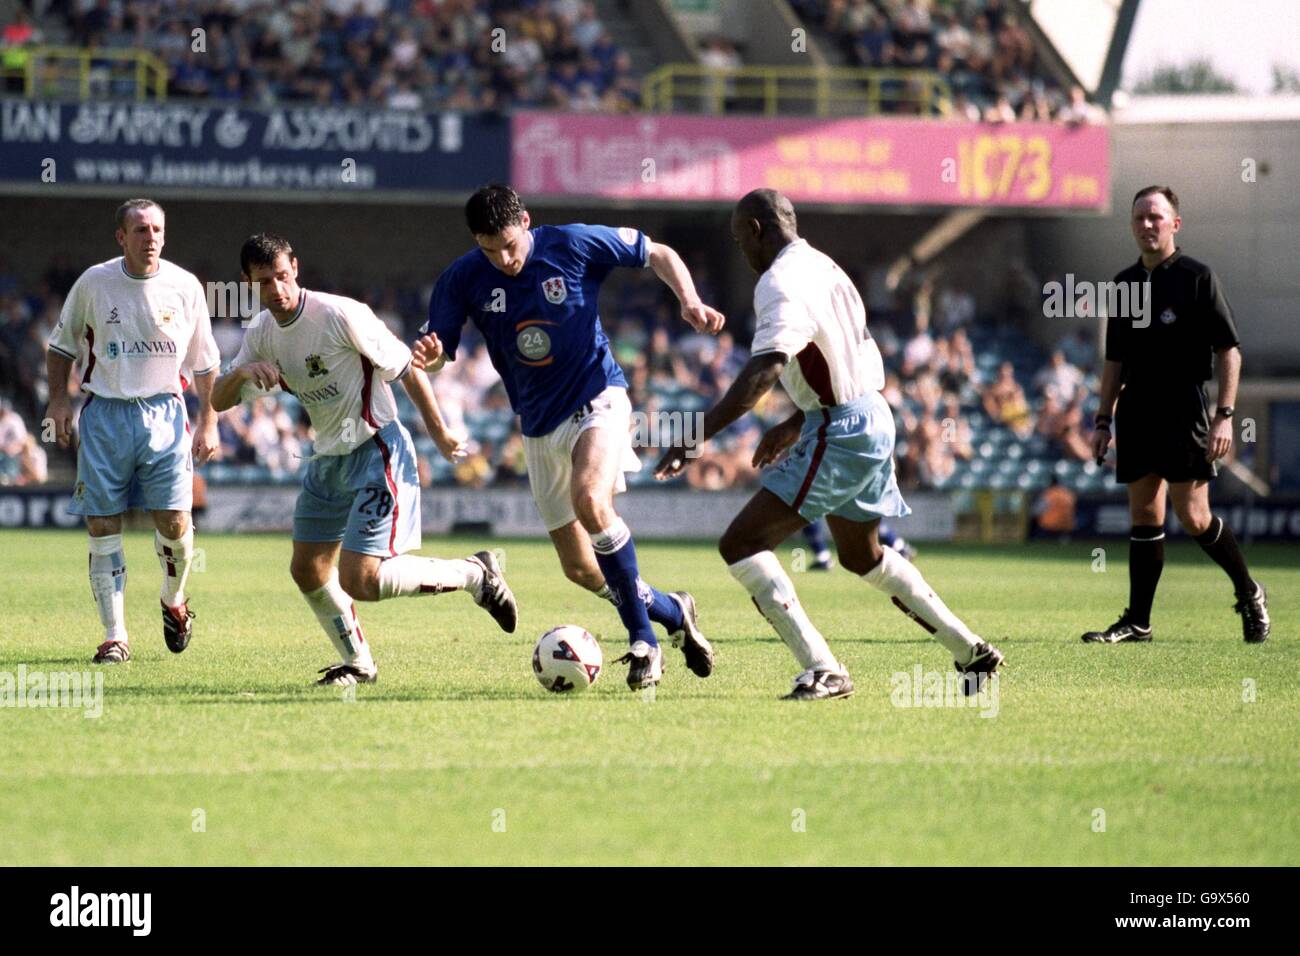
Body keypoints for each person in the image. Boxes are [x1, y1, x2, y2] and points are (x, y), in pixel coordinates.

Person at [655, 189, 1003, 700]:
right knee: (863, 557)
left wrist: (695, 436)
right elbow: (837, 359)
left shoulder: (779, 282)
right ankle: (970, 650)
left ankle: (824, 669)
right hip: (869, 415)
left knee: (741, 544)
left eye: (738, 239)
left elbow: (765, 368)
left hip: (840, 427)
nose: (740, 252)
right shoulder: (826, 267)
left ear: (756, 230)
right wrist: (795, 422)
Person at [415, 185, 721, 690]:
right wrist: (431, 353)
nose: (505, 259)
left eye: (511, 245)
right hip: (537, 426)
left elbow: (658, 252)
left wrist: (688, 299)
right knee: (580, 568)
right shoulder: (462, 277)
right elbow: (441, 349)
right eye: (491, 250)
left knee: (590, 501)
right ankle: (671, 609)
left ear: (527, 222)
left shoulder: (573, 243)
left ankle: (643, 641)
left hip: (597, 397)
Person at [211, 233, 517, 687]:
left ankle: (474, 575)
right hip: (328, 459)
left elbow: (407, 368)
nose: (277, 288)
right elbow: (218, 401)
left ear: (294, 266)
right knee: (307, 569)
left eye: (281, 275)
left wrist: (438, 431)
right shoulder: (261, 333)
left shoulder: (339, 314)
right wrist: (238, 374)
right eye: (264, 281)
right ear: (248, 283)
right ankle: (359, 664)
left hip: (377, 449)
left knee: (361, 579)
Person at [1084, 186, 1268, 644]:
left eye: (1156, 217)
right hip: (1138, 411)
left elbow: (1230, 351)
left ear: (1174, 224)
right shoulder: (1123, 284)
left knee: (1194, 516)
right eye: (1140, 218)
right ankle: (1138, 622)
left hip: (1184, 410)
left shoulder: (1198, 278)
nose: (1147, 224)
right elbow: (1115, 362)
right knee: (1144, 514)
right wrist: (1103, 420)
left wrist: (1225, 414)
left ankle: (1249, 593)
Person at [44, 199, 221, 664]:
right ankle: (115, 635)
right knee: (102, 524)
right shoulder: (94, 282)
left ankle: (173, 598)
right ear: (121, 237)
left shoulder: (185, 287)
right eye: (141, 229)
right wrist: (58, 400)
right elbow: (60, 345)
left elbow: (206, 362)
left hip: (166, 413)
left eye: (158, 229)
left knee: (176, 523)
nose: (151, 238)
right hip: (105, 414)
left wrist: (210, 420)